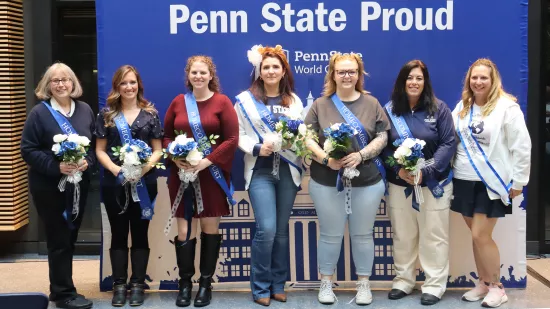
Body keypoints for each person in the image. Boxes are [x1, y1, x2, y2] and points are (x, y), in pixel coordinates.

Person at [304, 53, 389, 305]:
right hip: (327, 181)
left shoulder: (372, 103)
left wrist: (362, 154)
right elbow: (307, 137)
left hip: (367, 182)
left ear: (359, 74)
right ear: (333, 74)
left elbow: (383, 136)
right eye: (341, 72)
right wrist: (325, 159)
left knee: (363, 235)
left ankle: (364, 285)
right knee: (330, 234)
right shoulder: (320, 104)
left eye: (352, 71)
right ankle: (326, 283)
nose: (347, 76)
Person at [451, 58, 531, 308]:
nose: (478, 82)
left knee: (481, 234)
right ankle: (484, 283)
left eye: (483, 77)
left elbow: (522, 146)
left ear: (493, 79)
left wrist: (519, 180)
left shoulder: (507, 108)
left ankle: (498, 287)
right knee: (475, 237)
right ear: (469, 80)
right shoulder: (462, 107)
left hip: (491, 182)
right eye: (474, 77)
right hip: (464, 179)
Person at [163, 55, 239, 308]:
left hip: (210, 176)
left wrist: (206, 162)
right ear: (188, 75)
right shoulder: (178, 102)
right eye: (194, 73)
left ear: (210, 75)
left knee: (209, 228)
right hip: (182, 175)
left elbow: (231, 139)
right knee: (184, 230)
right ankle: (185, 284)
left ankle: (205, 284)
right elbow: (165, 137)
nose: (198, 77)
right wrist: (176, 158)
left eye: (203, 73)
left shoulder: (222, 102)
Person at [21, 63, 95, 309]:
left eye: (65, 79)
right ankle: (64, 294)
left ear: (73, 83)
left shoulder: (85, 110)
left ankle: (59, 288)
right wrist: (57, 167)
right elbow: (28, 150)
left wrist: (87, 161)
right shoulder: (39, 113)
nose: (61, 84)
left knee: (70, 236)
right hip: (48, 187)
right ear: (47, 85)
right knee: (58, 238)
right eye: (55, 81)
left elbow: (94, 147)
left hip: (78, 186)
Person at [381, 60, 455, 306]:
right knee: (403, 235)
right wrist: (398, 170)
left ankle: (434, 285)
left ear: (425, 82)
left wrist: (428, 170)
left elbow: (448, 143)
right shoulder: (390, 110)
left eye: (419, 78)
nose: (414, 82)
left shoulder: (439, 109)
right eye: (409, 78)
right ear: (402, 82)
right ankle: (403, 281)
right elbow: (383, 147)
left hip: (434, 185)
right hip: (400, 185)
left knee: (434, 236)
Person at [234, 45, 304, 306]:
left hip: (288, 170)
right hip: (260, 170)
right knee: (267, 229)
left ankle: (278, 284)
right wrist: (255, 147)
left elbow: (303, 136)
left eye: (276, 66)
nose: (271, 71)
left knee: (282, 231)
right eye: (266, 67)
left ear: (284, 70)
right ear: (259, 72)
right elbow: (236, 133)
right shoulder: (244, 100)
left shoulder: (294, 101)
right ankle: (260, 286)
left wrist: (293, 143)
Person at [95, 65, 164, 307]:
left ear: (139, 85)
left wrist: (143, 169)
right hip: (115, 183)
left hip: (145, 182)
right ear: (117, 87)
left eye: (132, 82)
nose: (129, 87)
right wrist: (117, 170)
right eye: (124, 83)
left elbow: (158, 150)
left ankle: (137, 284)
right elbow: (100, 150)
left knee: (140, 233)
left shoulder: (150, 114)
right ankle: (119, 285)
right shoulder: (106, 115)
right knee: (118, 233)